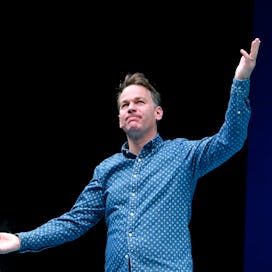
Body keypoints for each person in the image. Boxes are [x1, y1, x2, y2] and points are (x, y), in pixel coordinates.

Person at [0, 38, 261, 272]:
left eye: (139, 102)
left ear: (158, 113)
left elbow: (231, 140)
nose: (131, 108)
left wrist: (241, 80)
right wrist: (22, 240)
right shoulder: (106, 170)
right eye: (125, 105)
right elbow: (74, 222)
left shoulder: (183, 154)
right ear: (119, 120)